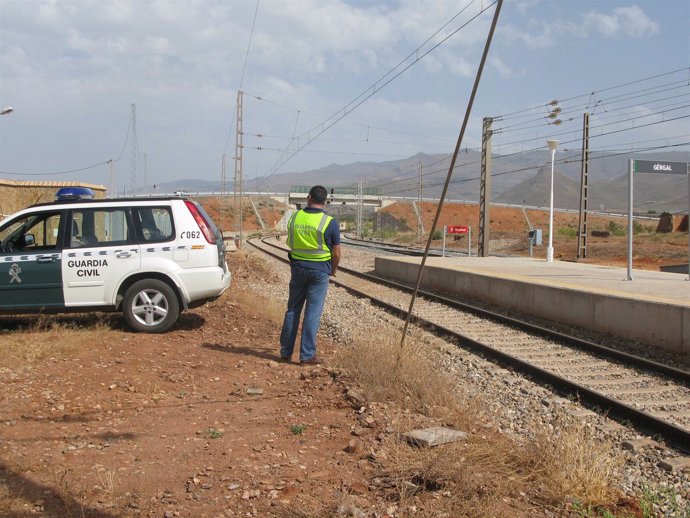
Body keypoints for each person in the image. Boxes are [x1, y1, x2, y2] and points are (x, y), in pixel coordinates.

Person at [280, 185, 341, 365]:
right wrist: (333, 270)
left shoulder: (295, 217)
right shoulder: (330, 222)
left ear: (308, 198)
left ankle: (285, 352)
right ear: (325, 201)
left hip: (298, 268)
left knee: (293, 309)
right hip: (320, 272)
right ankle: (306, 355)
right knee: (312, 313)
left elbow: (290, 242)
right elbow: (336, 253)